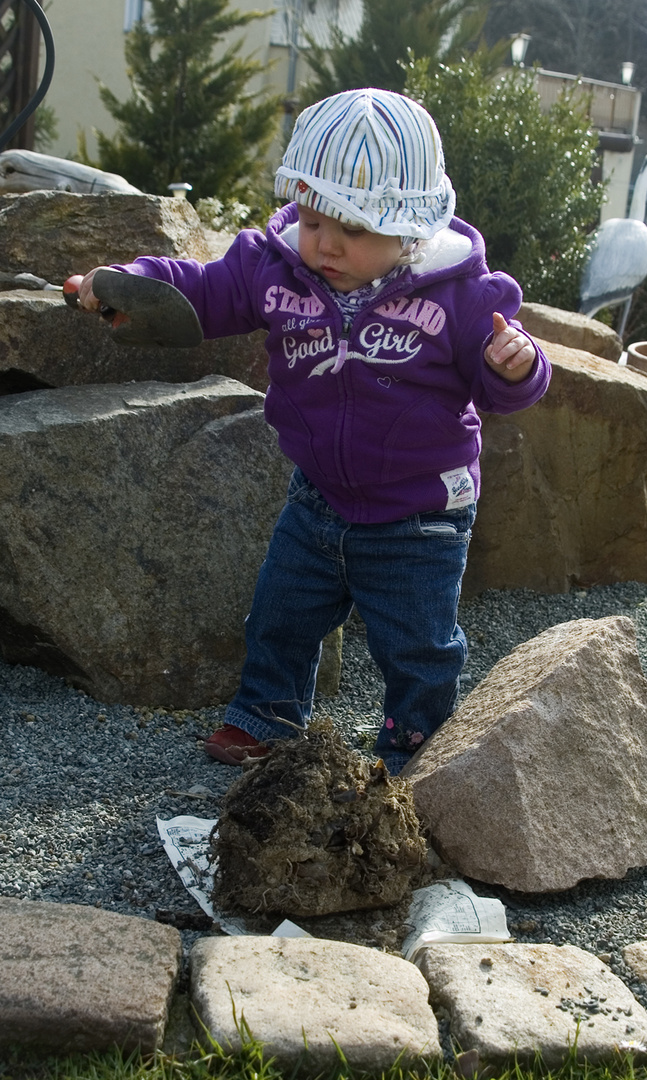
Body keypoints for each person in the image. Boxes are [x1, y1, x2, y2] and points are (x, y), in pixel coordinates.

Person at [78, 88, 551, 775]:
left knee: (417, 644)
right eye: (313, 217)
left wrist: (517, 364)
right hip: (318, 496)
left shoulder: (463, 294)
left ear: (411, 227)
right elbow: (202, 292)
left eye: (354, 229)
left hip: (420, 512)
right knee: (280, 613)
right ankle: (266, 715)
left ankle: (414, 746)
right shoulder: (272, 267)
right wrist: (129, 282)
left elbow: (507, 386)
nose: (326, 243)